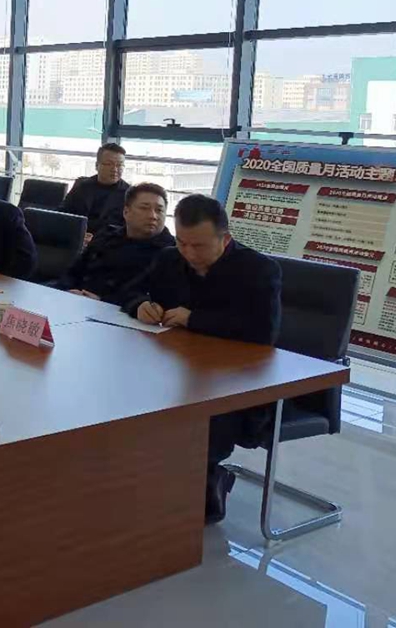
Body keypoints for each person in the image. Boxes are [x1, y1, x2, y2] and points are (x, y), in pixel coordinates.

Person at [120, 194, 282, 524]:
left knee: (202, 413)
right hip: (177, 367)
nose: (189, 253)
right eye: (182, 243)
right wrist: (139, 305)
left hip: (237, 379)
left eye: (199, 246)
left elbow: (262, 331)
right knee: (125, 389)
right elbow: (130, 290)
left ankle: (204, 477)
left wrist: (195, 319)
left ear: (225, 239)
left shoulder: (258, 270)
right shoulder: (169, 258)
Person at [54, 182, 175, 302]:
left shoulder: (170, 252)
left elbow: (147, 297)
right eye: (144, 208)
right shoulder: (106, 234)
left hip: (117, 310)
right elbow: (74, 270)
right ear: (126, 212)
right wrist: (67, 291)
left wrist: (101, 301)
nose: (153, 216)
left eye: (159, 210)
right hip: (73, 299)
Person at [60, 142, 131, 239]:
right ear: (97, 165)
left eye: (119, 165)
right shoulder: (82, 185)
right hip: (75, 238)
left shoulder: (129, 194)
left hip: (107, 242)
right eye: (108, 164)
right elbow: (62, 214)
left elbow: (127, 228)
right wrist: (77, 234)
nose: (114, 169)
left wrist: (96, 239)